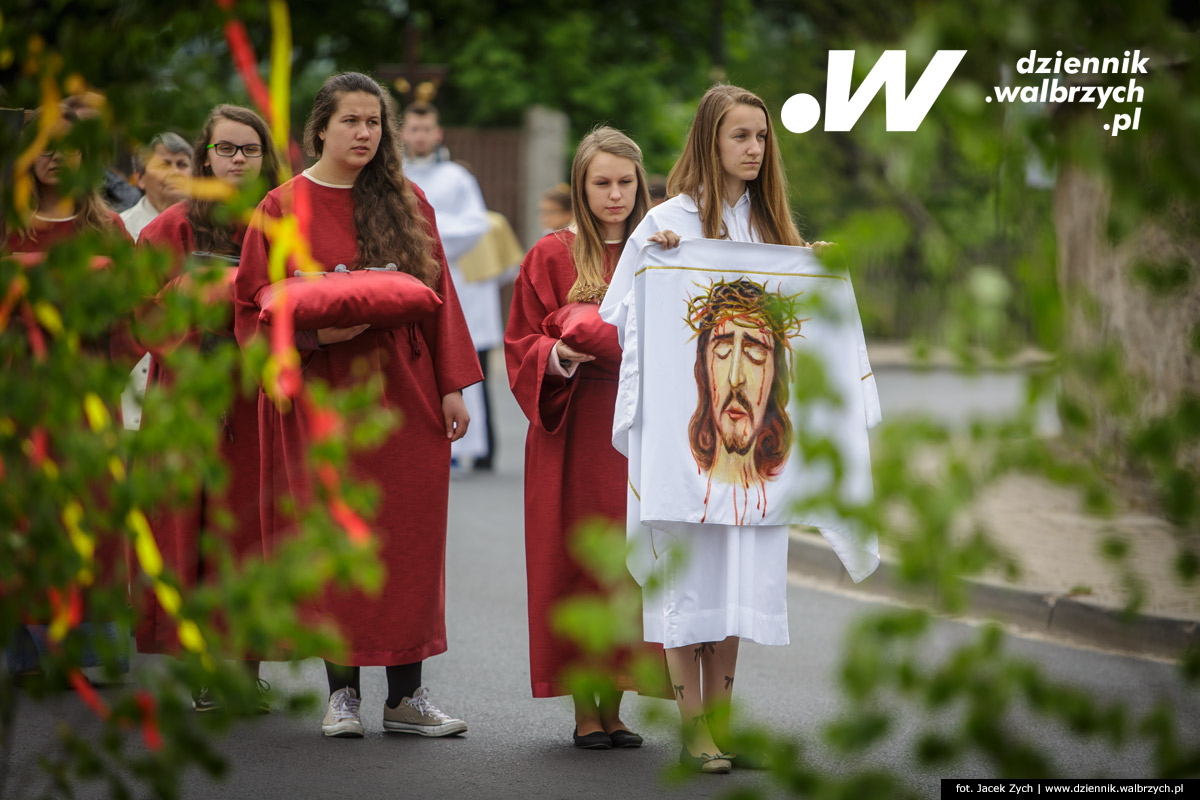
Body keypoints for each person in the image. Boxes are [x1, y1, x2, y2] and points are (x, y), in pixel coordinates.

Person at [234, 72, 481, 739]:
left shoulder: (408, 201)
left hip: (405, 392)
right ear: (320, 128)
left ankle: (406, 696)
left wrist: (453, 386)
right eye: (352, 121)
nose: (365, 133)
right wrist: (313, 332)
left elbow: (441, 295)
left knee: (407, 540)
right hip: (323, 394)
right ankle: (342, 693)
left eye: (375, 122)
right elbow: (251, 306)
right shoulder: (282, 208)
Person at [599, 84, 811, 774]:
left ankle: (719, 724)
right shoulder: (666, 221)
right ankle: (692, 731)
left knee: (737, 583)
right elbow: (619, 320)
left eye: (762, 137)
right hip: (684, 447)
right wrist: (653, 268)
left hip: (749, 453)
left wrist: (815, 269)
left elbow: (796, 330)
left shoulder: (774, 229)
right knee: (688, 583)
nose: (754, 150)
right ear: (710, 141)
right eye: (740, 137)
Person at [505, 127, 669, 750]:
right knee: (575, 556)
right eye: (602, 182)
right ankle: (584, 711)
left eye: (626, 182)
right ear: (581, 184)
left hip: (638, 427)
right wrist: (559, 353)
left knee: (630, 562)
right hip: (572, 421)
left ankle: (617, 704)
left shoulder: (658, 251)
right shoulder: (550, 254)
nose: (616, 194)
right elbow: (522, 340)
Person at [136, 105, 280, 710]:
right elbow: (140, 314)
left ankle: (245, 672)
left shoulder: (283, 223)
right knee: (190, 531)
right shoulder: (170, 228)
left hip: (258, 397)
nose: (237, 160)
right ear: (206, 157)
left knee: (249, 528)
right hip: (189, 393)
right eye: (226, 149)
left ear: (265, 159)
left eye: (249, 150)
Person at [3, 103, 134, 683]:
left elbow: (138, 310)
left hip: (84, 391)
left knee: (92, 516)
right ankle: (24, 650)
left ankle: (94, 649)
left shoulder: (105, 227)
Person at [401, 102, 497, 471]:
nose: (420, 136)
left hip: (453, 275)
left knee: (454, 360)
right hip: (406, 278)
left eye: (427, 129)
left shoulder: (458, 177)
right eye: (414, 129)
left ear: (438, 134)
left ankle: (462, 447)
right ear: (404, 133)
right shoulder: (392, 174)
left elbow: (476, 224)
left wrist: (427, 237)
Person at [120, 132, 193, 241]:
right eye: (164, 165)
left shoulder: (208, 225)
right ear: (139, 178)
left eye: (182, 164)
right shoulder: (122, 228)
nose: (175, 172)